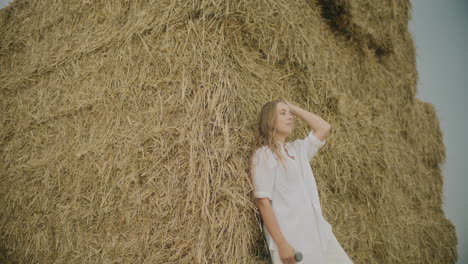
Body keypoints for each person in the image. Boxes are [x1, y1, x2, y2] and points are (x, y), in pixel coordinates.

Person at [250, 98, 354, 264]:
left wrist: (290, 106)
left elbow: (324, 127)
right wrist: (281, 243)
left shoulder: (297, 150)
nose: (290, 117)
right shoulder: (264, 155)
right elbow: (263, 202)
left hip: (317, 234)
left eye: (290, 114)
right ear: (269, 119)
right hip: (292, 239)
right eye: (283, 114)